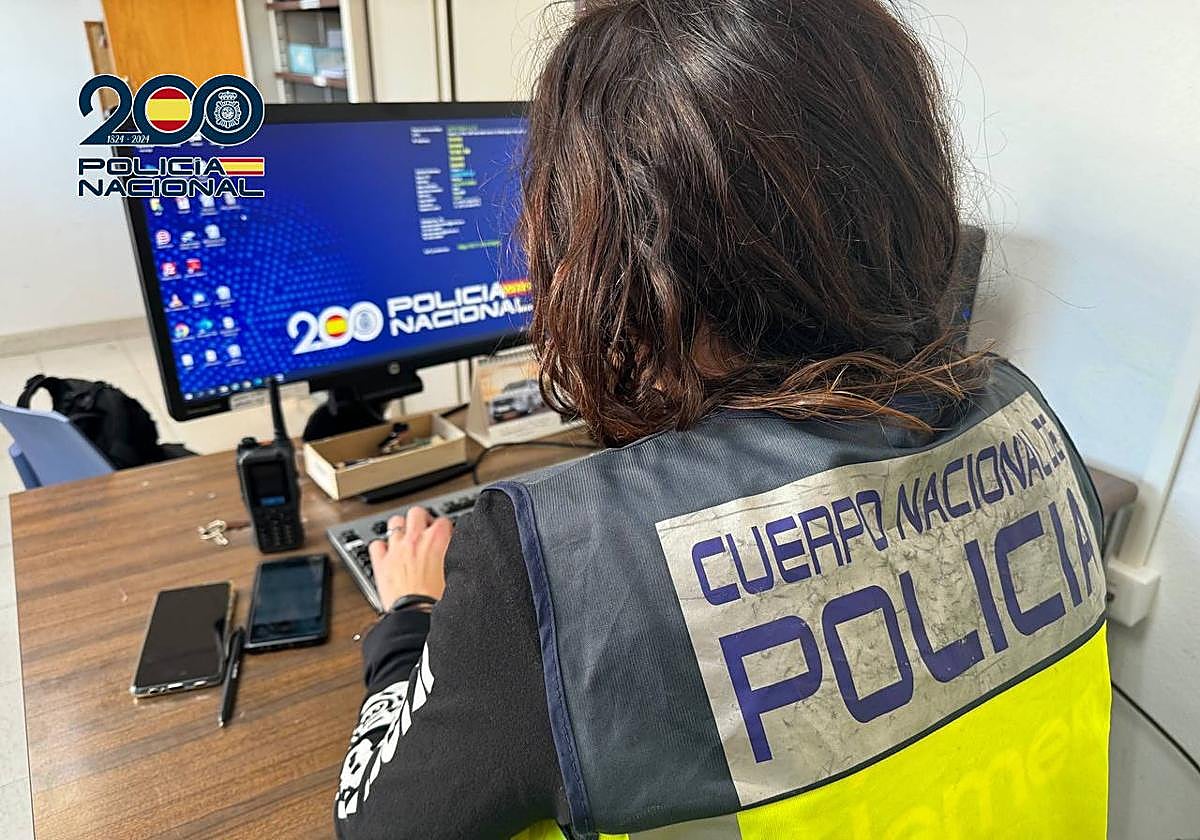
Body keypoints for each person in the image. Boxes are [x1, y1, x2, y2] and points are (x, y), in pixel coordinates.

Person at [334, 0, 1110, 837]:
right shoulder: (1027, 421)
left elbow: (373, 826)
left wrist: (408, 617)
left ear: (618, 257)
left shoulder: (552, 569)